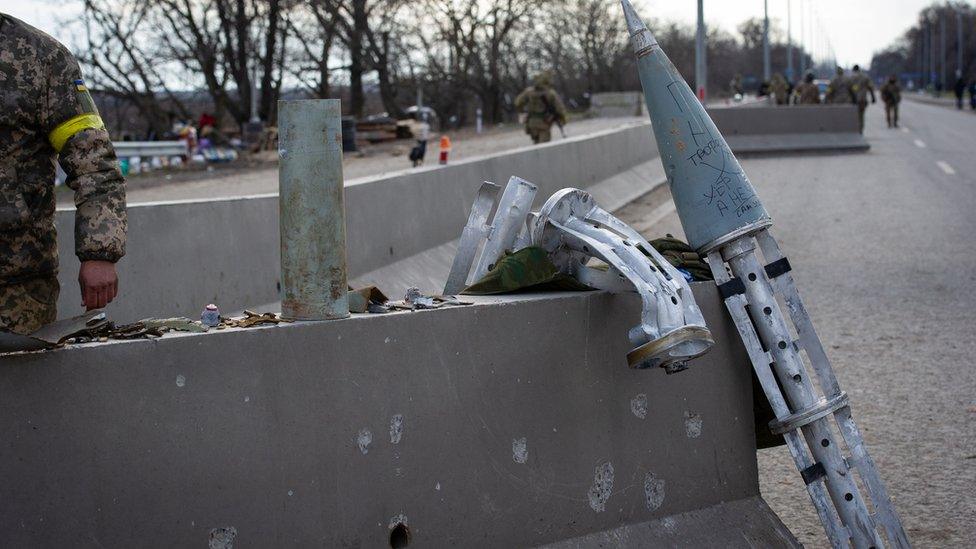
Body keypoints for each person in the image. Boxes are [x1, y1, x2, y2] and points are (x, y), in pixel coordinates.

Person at [0, 14, 127, 334]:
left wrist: (100, 252)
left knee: (21, 382)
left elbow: (94, 164)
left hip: (13, 287)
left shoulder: (39, 57)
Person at [514, 72, 567, 144]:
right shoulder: (550, 93)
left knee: (536, 144)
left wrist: (523, 111)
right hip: (544, 122)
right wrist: (562, 120)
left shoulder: (529, 92)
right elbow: (560, 109)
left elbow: (518, 103)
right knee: (544, 147)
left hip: (531, 124)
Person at [848, 65, 876, 134]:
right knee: (861, 116)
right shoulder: (865, 77)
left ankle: (855, 130)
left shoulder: (851, 78)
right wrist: (873, 98)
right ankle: (860, 131)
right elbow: (871, 88)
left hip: (853, 101)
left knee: (854, 116)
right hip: (862, 100)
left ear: (853, 70)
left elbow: (848, 89)